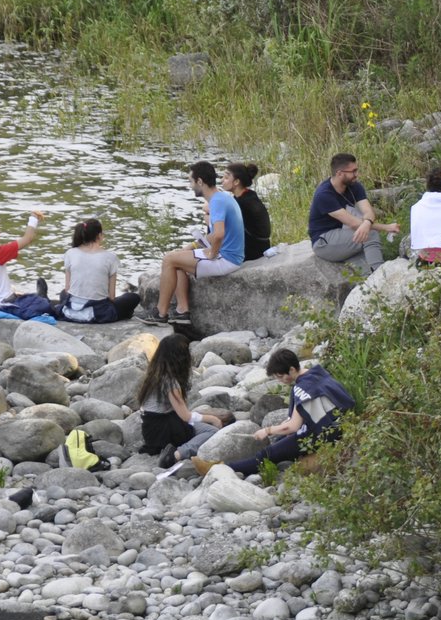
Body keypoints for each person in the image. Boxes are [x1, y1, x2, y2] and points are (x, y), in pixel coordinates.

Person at [192, 348, 353, 478]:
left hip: (324, 435)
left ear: (291, 369)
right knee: (281, 439)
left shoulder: (302, 388)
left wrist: (267, 430)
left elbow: (293, 426)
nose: (281, 381)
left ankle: (221, 469)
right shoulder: (317, 373)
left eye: (281, 376)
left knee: (267, 453)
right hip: (339, 426)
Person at [139, 160, 244, 324]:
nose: (190, 186)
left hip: (226, 259)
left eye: (191, 181)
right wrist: (194, 246)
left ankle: (160, 314)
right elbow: (216, 235)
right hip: (231, 255)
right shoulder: (223, 197)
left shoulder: (217, 202)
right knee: (177, 260)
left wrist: (212, 254)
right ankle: (182, 311)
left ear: (200, 181)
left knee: (168, 260)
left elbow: (218, 235)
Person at [135, 334, 225, 468]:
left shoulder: (154, 374)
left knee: (207, 422)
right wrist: (212, 418)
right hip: (164, 430)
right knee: (212, 431)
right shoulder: (170, 381)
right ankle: (176, 455)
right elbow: (186, 416)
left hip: (152, 429)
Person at [308, 153, 399, 271]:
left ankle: (372, 281)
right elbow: (353, 223)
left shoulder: (354, 186)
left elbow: (369, 212)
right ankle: (380, 274)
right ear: (339, 173)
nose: (357, 174)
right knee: (369, 234)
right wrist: (386, 227)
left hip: (342, 234)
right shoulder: (324, 195)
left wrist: (367, 223)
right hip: (324, 241)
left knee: (365, 267)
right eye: (353, 171)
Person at [52, 218, 140, 324]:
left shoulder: (70, 253)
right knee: (133, 297)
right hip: (97, 314)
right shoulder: (110, 257)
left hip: (69, 312)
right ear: (99, 236)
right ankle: (126, 314)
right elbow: (111, 297)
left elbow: (67, 289)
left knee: (63, 293)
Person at [220, 162, 272, 262]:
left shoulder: (242, 202)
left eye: (226, 178)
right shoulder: (249, 195)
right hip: (261, 246)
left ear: (236, 182)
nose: (222, 180)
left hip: (252, 252)